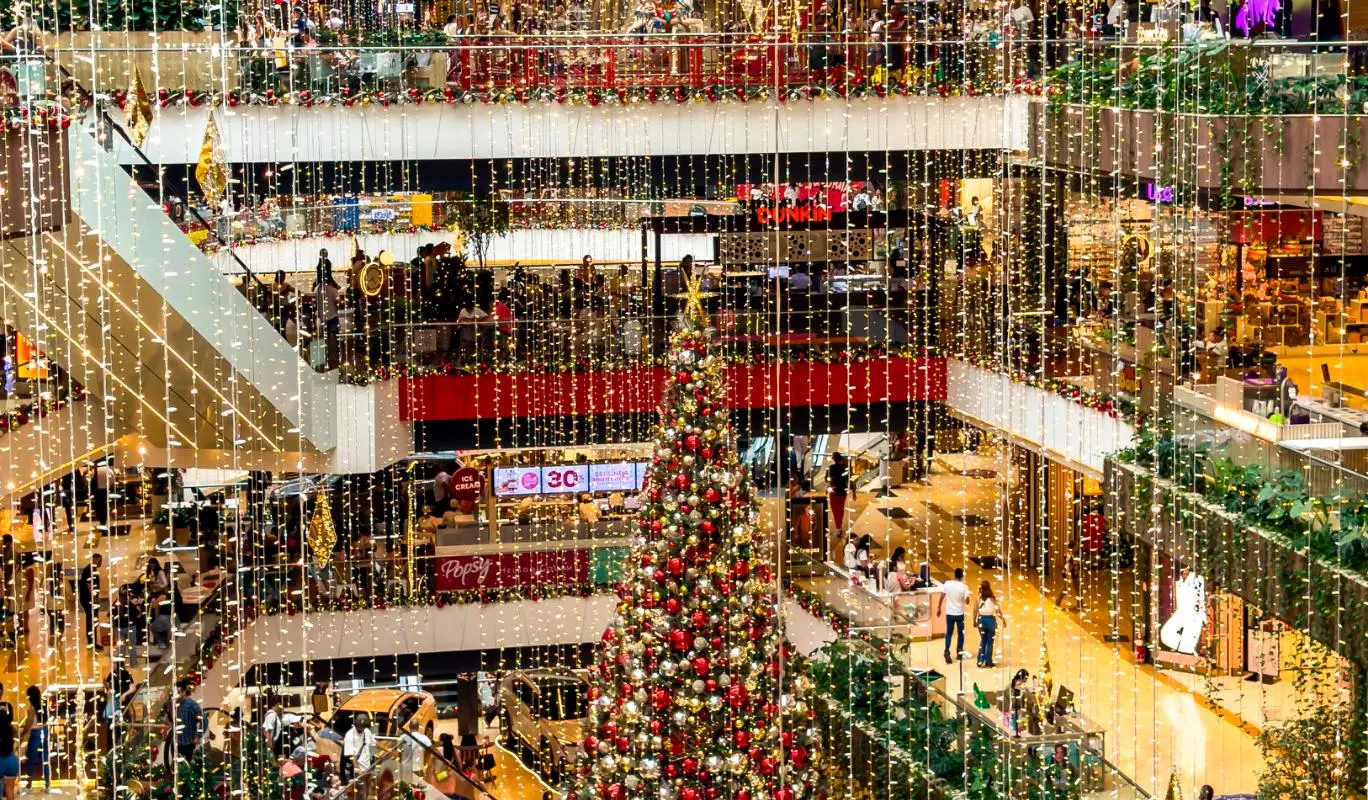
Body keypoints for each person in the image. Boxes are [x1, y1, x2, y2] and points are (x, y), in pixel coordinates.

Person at [937, 567, 972, 664]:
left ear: (954, 574)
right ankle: (959, 652)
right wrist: (967, 597)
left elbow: (942, 596)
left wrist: (939, 607)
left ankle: (947, 651)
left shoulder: (947, 584)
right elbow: (967, 602)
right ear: (962, 576)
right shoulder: (964, 587)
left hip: (949, 613)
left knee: (949, 633)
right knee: (961, 633)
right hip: (960, 613)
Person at [165, 679, 202, 769]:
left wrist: (198, 736)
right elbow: (170, 719)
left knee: (185, 768)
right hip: (176, 741)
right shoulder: (173, 704)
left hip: (187, 742)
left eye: (178, 692)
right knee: (176, 766)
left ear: (184, 692)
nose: (176, 695)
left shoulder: (192, 705)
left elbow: (203, 720)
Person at [20, 686, 47, 791]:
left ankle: (29, 785)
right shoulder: (43, 705)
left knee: (31, 758)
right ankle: (47, 785)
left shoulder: (31, 709)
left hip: (35, 733)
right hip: (45, 731)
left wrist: (22, 735)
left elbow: (28, 724)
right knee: (45, 758)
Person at [340, 713, 376, 784]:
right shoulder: (349, 735)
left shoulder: (367, 731)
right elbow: (351, 757)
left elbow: (374, 743)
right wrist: (359, 770)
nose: (360, 730)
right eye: (359, 728)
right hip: (356, 770)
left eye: (362, 728)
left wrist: (387, 750)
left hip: (367, 767)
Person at [78, 554, 103, 649]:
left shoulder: (91, 569)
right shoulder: (89, 570)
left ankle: (92, 641)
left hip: (89, 598)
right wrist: (94, 598)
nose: (101, 562)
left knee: (92, 619)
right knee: (92, 620)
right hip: (88, 599)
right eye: (100, 560)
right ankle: (92, 642)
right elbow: (89, 585)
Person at [975, 581, 1001, 668]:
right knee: (990, 642)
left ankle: (980, 661)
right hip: (991, 621)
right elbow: (998, 611)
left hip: (981, 620)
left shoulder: (978, 598)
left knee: (983, 640)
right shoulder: (992, 599)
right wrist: (1003, 619)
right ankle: (988, 662)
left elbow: (975, 610)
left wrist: (974, 620)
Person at [826, 452, 853, 532]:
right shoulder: (845, 468)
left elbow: (826, 479)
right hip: (843, 492)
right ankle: (839, 526)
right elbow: (850, 480)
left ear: (833, 459)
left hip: (833, 492)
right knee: (840, 509)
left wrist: (829, 485)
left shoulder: (831, 467)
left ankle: (838, 527)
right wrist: (854, 492)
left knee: (835, 510)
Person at [400, 717, 431, 783]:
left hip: (405, 769)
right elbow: (430, 750)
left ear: (409, 727)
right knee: (418, 790)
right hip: (418, 769)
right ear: (418, 727)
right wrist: (425, 760)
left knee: (406, 790)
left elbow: (399, 752)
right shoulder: (424, 738)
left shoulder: (402, 737)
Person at [93, 460, 115, 531]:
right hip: (105, 490)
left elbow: (90, 480)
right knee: (105, 505)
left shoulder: (95, 471)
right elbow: (112, 480)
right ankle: (104, 520)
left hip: (97, 491)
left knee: (98, 506)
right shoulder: (109, 470)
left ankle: (101, 520)